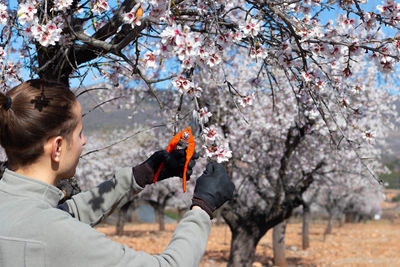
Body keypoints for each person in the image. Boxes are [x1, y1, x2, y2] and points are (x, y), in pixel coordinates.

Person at [0, 79, 235, 267]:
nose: (83, 141)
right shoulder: (53, 233)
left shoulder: (15, 206)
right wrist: (202, 208)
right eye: (80, 133)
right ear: (58, 147)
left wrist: (140, 175)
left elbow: (68, 213)